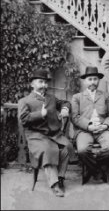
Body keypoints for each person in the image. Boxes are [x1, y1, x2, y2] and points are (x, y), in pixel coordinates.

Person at [18, 69, 73, 197]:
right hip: (36, 136)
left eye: (45, 82)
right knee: (48, 150)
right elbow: (24, 119)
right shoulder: (25, 101)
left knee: (66, 147)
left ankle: (60, 178)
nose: (44, 85)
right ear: (32, 84)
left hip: (53, 135)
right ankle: (54, 184)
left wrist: (65, 109)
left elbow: (65, 102)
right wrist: (40, 114)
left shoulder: (51, 98)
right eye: (40, 82)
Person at [71, 66, 109, 184]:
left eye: (95, 79)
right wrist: (88, 125)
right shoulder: (77, 97)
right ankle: (98, 171)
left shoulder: (106, 96)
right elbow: (75, 117)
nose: (92, 82)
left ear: (98, 80)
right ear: (85, 81)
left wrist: (105, 126)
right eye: (90, 79)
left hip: (102, 130)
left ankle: (91, 167)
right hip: (85, 130)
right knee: (82, 150)